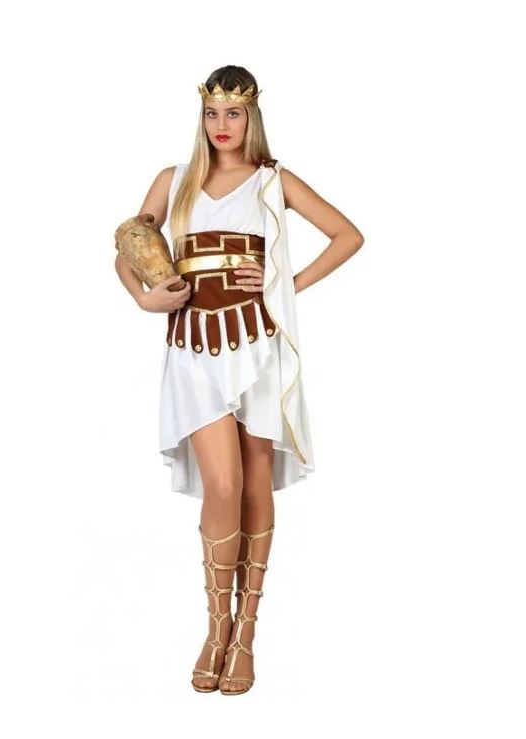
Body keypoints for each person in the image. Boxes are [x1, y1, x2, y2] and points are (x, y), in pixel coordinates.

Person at [114, 65, 365, 695]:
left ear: (251, 115)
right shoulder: (175, 180)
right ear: (200, 116)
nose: (222, 125)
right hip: (194, 348)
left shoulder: (273, 179)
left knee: (254, 480)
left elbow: (347, 236)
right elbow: (128, 245)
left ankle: (245, 636)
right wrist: (145, 298)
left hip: (258, 344)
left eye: (234, 113)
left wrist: (284, 285)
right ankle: (215, 628)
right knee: (222, 483)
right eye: (212, 113)